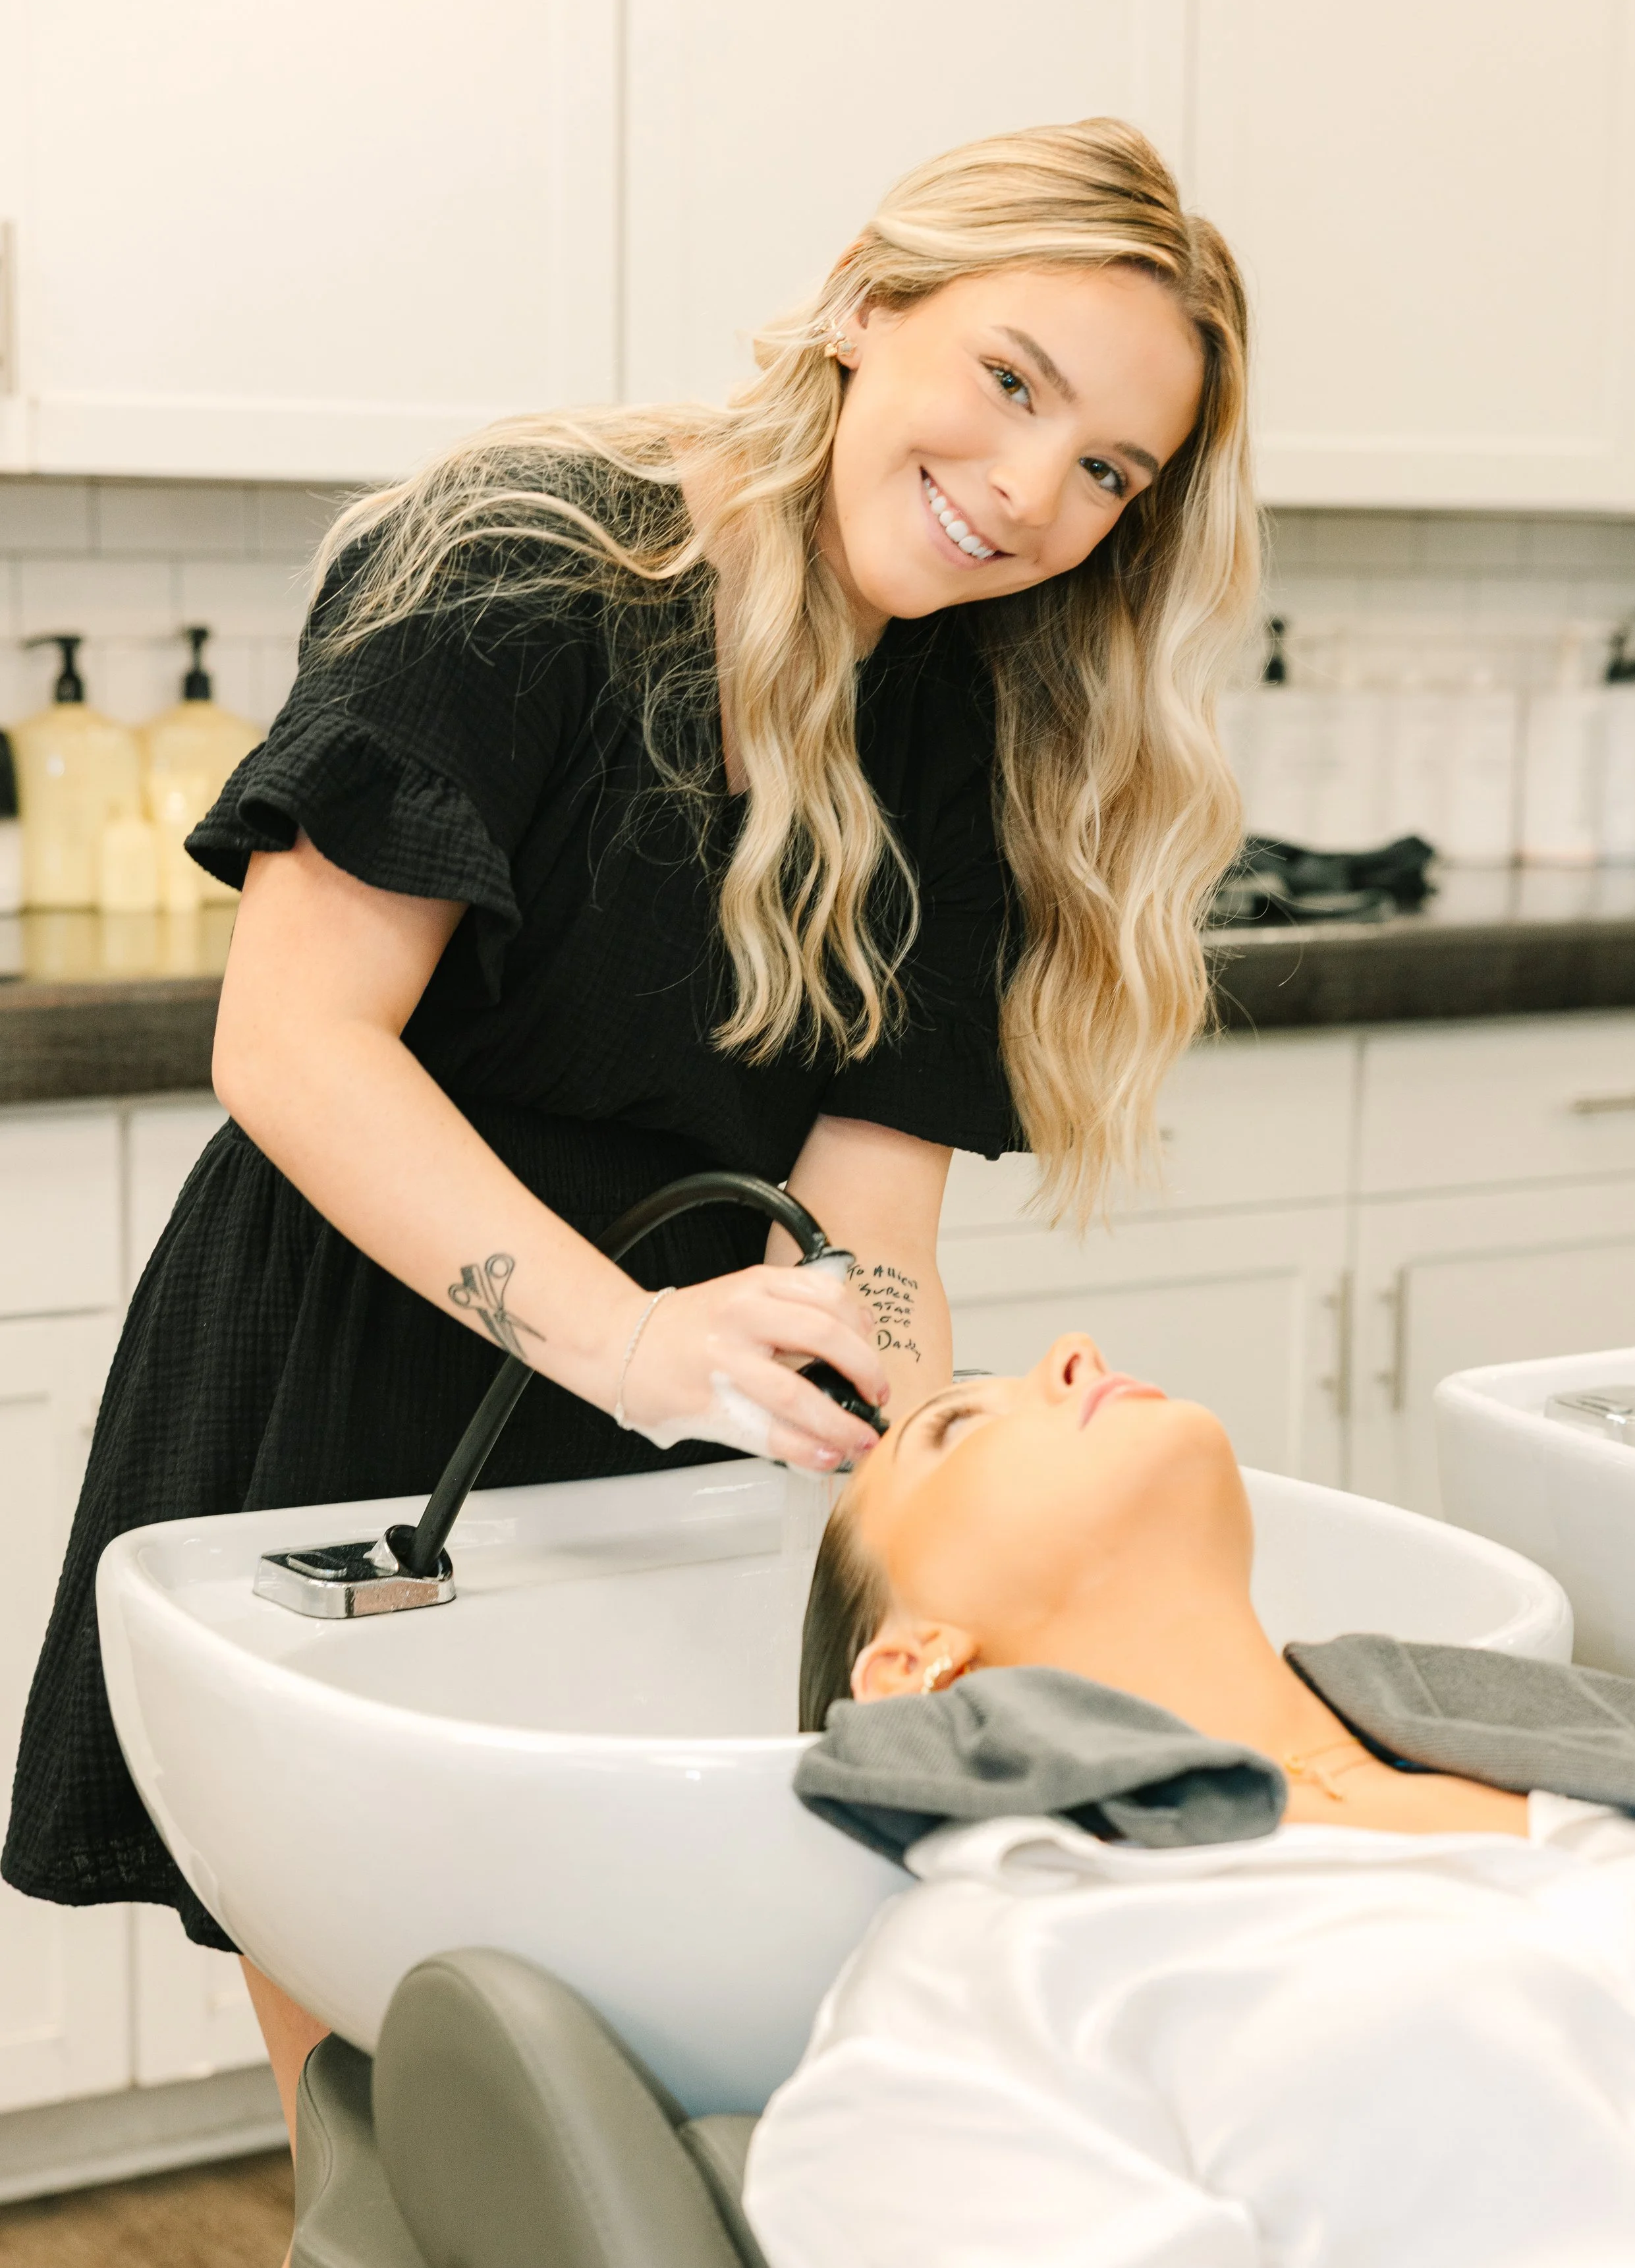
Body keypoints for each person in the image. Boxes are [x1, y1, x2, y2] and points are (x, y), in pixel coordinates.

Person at [3, 117, 1256, 2173]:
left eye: (1111, 468)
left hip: (671, 1424)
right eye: (1011, 381)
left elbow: (868, 1224)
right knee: (418, 2131)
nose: (1033, 491)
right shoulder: (535, 564)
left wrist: (938, 1502)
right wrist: (637, 1343)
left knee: (637, 2132)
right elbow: (293, 1043)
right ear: (870, 306)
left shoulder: (953, 709)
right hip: (369, 1368)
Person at [745, 1340, 1635, 2267]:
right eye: (957, 1425)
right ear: (912, 1665)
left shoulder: (1577, 1757)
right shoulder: (981, 1981)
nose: (1074, 1353)